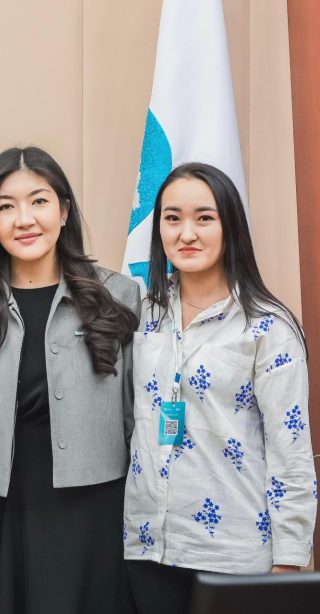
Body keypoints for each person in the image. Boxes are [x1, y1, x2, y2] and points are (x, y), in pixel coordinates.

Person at [0, 147, 140, 613]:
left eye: (39, 201)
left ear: (64, 210)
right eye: (6, 206)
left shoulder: (118, 296)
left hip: (95, 516)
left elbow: (138, 418)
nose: (24, 219)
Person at [123, 163, 316, 613]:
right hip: (147, 548)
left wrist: (288, 561)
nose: (186, 233)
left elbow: (291, 452)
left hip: (234, 555)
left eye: (204, 218)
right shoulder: (142, 315)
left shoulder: (268, 327)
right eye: (172, 218)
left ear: (230, 225)